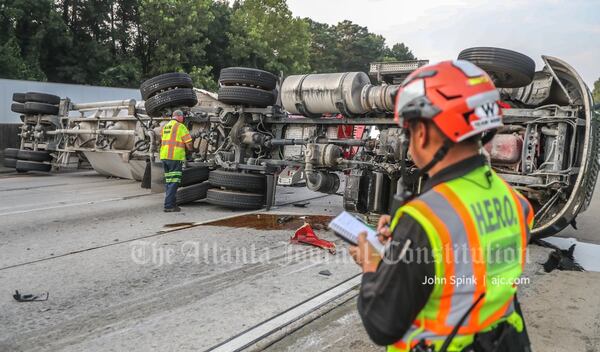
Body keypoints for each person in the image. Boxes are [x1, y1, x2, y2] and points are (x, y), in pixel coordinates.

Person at [349, 60, 534, 352]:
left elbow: (382, 323)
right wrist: (402, 241)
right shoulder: (516, 202)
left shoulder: (426, 218)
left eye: (407, 132)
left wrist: (372, 263)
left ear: (421, 132)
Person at [160, 110, 193, 212]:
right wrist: (191, 150)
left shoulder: (165, 126)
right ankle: (169, 206)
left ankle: (172, 204)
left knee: (169, 182)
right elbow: (189, 143)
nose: (183, 119)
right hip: (174, 157)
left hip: (164, 157)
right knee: (174, 182)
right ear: (179, 117)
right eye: (183, 117)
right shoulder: (180, 127)